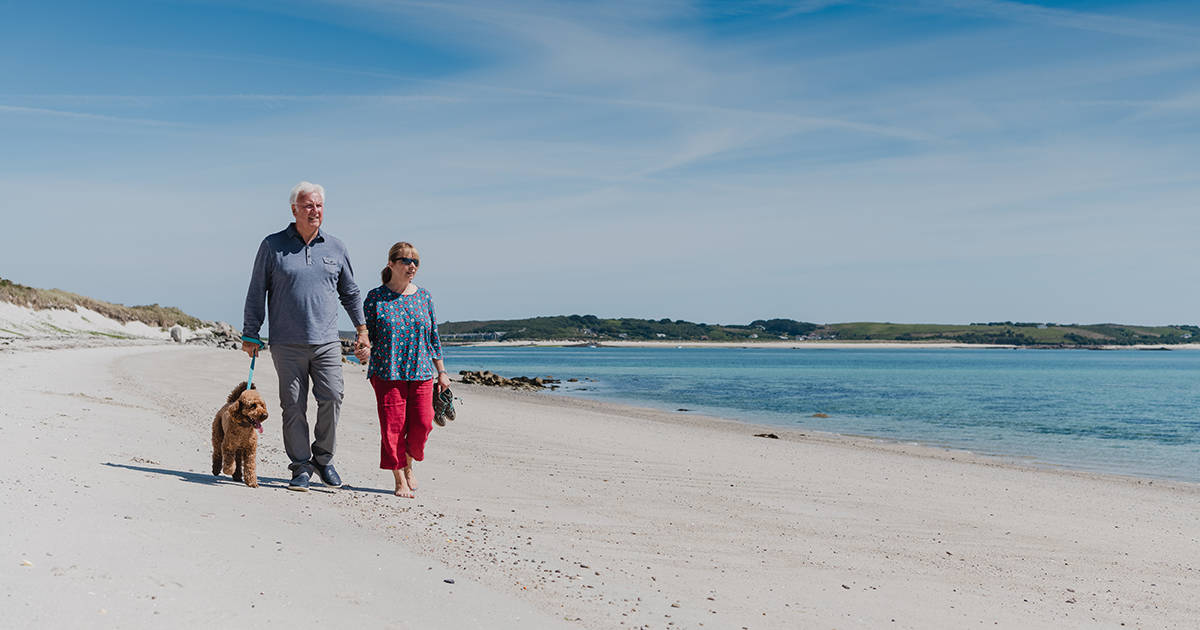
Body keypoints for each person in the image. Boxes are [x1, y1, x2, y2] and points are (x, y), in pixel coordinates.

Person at [242, 181, 370, 491]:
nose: (314, 211)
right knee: (293, 406)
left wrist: (362, 329)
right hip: (286, 344)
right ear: (294, 209)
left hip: (326, 342)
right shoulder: (272, 246)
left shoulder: (336, 247)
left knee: (332, 398)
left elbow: (350, 292)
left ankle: (324, 460)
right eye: (308, 205)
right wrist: (251, 333)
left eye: (319, 206)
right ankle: (300, 466)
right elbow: (257, 290)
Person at [355, 241, 450, 498]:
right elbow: (367, 337)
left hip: (421, 372)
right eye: (406, 261)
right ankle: (399, 478)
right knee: (392, 427)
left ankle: (408, 462)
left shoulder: (424, 296)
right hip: (387, 371)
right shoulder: (375, 298)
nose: (412, 266)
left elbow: (433, 337)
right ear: (391, 264)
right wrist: (363, 351)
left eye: (416, 262)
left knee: (422, 423)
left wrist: (441, 371)